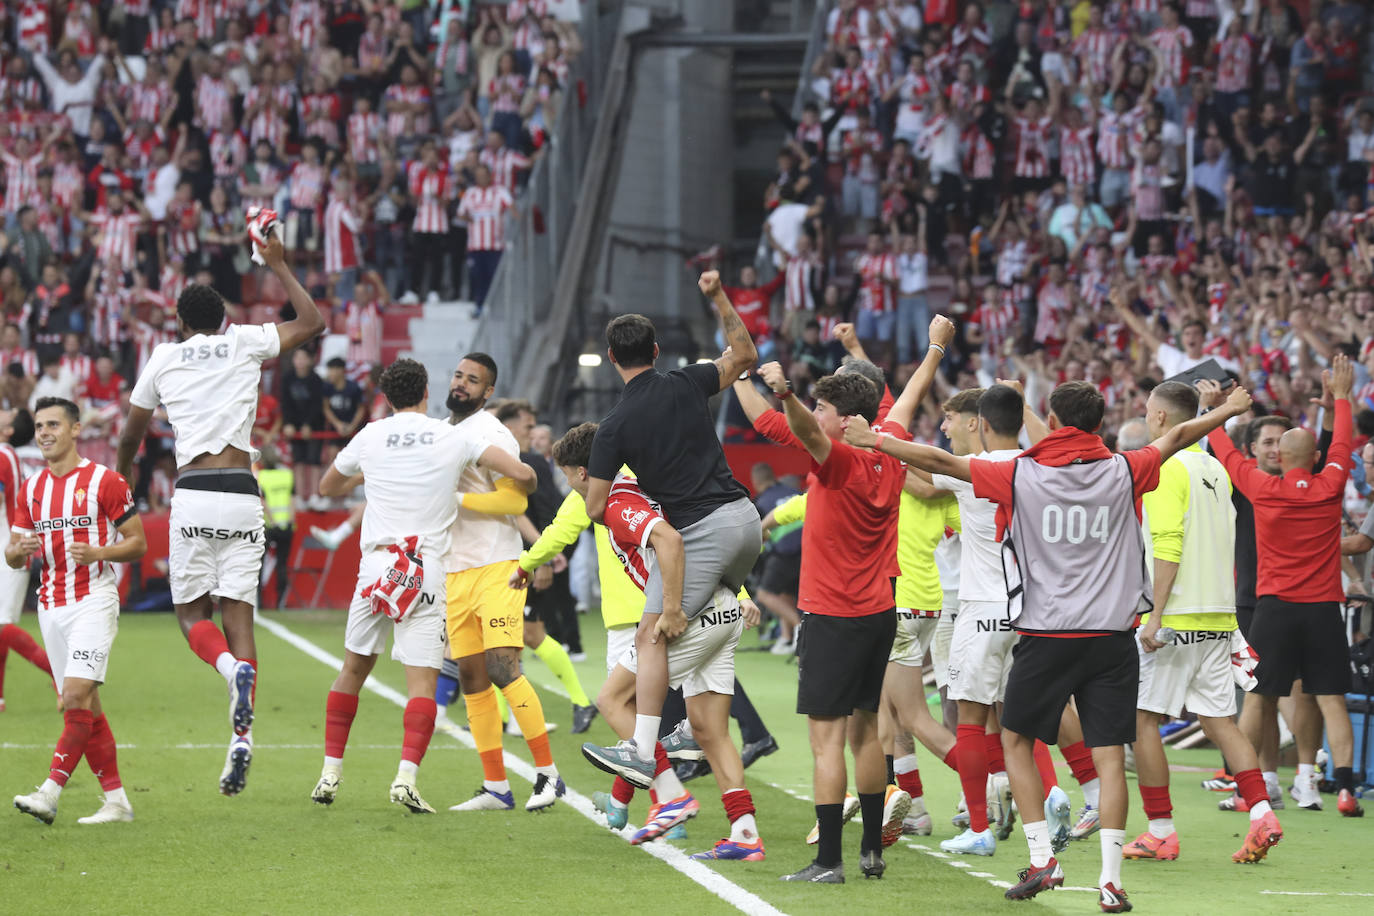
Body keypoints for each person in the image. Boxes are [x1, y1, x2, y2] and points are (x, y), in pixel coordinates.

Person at [846, 379, 1255, 911]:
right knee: (1111, 758)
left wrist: (875, 440)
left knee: (1015, 742)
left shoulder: (1019, 472)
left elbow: (937, 462)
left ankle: (1043, 860)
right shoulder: (1123, 469)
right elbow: (1178, 435)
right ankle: (1110, 881)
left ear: (1055, 422)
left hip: (1045, 635)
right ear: (1098, 424)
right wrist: (1225, 410)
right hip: (1112, 639)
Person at [115, 228, 326, 796]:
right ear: (223, 318)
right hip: (242, 493)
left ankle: (230, 671)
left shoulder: (163, 357)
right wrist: (278, 264)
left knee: (191, 616)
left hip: (194, 492)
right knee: (240, 616)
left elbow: (131, 435)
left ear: (180, 324)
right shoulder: (244, 342)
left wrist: (123, 484)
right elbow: (312, 324)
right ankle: (242, 740)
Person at [765, 315, 953, 883]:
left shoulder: (841, 457)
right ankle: (872, 849)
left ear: (846, 421)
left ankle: (828, 861)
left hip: (831, 613)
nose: (816, 416)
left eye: (825, 408)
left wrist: (787, 394)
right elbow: (911, 397)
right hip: (879, 610)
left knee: (826, 740)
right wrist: (935, 349)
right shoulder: (888, 446)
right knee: (869, 731)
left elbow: (809, 431)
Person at [310, 358, 536, 814]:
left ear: (385, 397)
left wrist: (377, 471)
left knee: (352, 669)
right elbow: (524, 476)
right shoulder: (452, 436)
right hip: (425, 568)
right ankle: (405, 778)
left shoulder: (371, 434)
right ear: (427, 391)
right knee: (422, 681)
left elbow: (328, 485)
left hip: (376, 564)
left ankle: (330, 773)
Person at [580, 271, 761, 827]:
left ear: (612, 357)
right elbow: (744, 353)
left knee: (650, 633)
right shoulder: (687, 382)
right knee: (709, 685)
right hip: (745, 522)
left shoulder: (613, 426)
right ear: (655, 352)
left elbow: (592, 506)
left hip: (699, 531)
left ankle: (641, 748)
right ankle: (727, 800)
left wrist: (612, 485)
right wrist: (716, 298)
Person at [552, 422, 766, 855]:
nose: (570, 487)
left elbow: (669, 539)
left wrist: (670, 608)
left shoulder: (617, 498)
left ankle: (671, 797)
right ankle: (744, 832)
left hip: (693, 613)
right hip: (721, 606)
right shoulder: (647, 484)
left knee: (613, 700)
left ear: (580, 473)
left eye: (567, 477)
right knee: (710, 729)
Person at [1125, 380, 1283, 865]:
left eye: (1149, 412)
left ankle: (1160, 831)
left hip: (1176, 618)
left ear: (1158, 418)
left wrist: (1154, 617)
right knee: (1220, 721)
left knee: (1143, 720)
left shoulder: (1165, 467)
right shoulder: (1215, 466)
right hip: (1219, 613)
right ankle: (1261, 814)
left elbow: (1168, 544)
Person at [1206, 354, 1365, 817]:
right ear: (1314, 459)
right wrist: (1340, 397)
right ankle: (1345, 790)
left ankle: (1246, 790)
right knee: (1331, 699)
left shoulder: (1260, 485)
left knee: (1258, 697)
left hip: (1273, 607)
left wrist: (1219, 409)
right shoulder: (1330, 484)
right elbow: (1344, 443)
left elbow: (1227, 451)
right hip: (1322, 609)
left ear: (1279, 457)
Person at [9, 397, 146, 825]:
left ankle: (49, 793)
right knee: (86, 706)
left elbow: (138, 542)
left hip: (94, 600)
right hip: (50, 606)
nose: (45, 432)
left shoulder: (106, 481)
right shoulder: (30, 489)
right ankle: (117, 801)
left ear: (75, 429)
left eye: (53, 424)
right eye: (39, 426)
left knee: (73, 697)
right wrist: (21, 550)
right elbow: (12, 555)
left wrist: (99, 551)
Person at [443, 354, 564, 813]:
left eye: (473, 380)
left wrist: (453, 498)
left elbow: (515, 498)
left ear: (488, 392)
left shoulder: (491, 434)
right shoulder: (447, 431)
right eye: (459, 376)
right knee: (472, 677)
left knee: (501, 668)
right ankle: (496, 785)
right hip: (456, 568)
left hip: (497, 565)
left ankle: (549, 777)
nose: (462, 384)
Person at [496, 398, 595, 732]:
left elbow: (536, 513)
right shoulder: (516, 461)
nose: (531, 430)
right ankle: (508, 716)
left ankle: (579, 702)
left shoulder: (528, 462)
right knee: (513, 637)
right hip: (517, 559)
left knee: (521, 636)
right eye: (527, 425)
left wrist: (544, 560)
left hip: (523, 562)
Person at [0, 407, 52, 710]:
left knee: (3, 625)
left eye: (5, 413)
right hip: (9, 543)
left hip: (9, 546)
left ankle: (60, 673)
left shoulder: (3, 453)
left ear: (8, 431)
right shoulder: (8, 453)